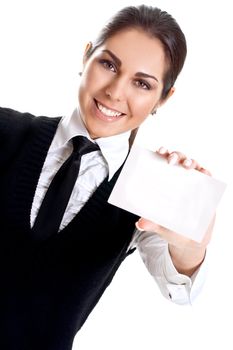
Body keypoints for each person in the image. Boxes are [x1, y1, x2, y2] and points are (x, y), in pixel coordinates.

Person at [0, 4, 215, 350]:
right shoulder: (5, 131)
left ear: (163, 98)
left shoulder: (146, 188)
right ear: (86, 57)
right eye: (108, 64)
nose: (115, 92)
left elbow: (180, 288)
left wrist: (191, 243)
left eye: (142, 83)